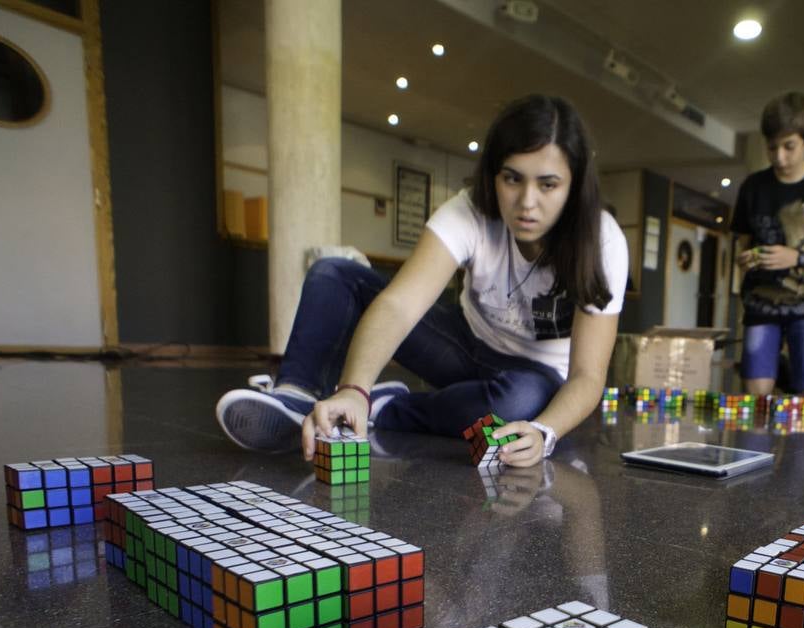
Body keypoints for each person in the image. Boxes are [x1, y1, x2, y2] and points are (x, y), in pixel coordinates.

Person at [215, 95, 628, 468]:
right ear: (494, 175)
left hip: (534, 376)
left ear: (573, 186)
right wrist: (353, 388)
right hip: (464, 345)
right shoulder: (470, 210)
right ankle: (297, 394)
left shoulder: (602, 240)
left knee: (516, 404)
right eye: (512, 178)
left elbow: (588, 377)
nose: (527, 202)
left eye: (548, 184)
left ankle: (388, 407)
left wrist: (545, 431)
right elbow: (400, 305)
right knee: (334, 272)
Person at [731, 91, 804, 410]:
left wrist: (795, 257)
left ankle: (791, 374)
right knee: (756, 398)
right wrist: (747, 258)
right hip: (761, 303)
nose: (780, 158)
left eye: (789, 147)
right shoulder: (752, 187)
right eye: (772, 148)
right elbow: (743, 244)